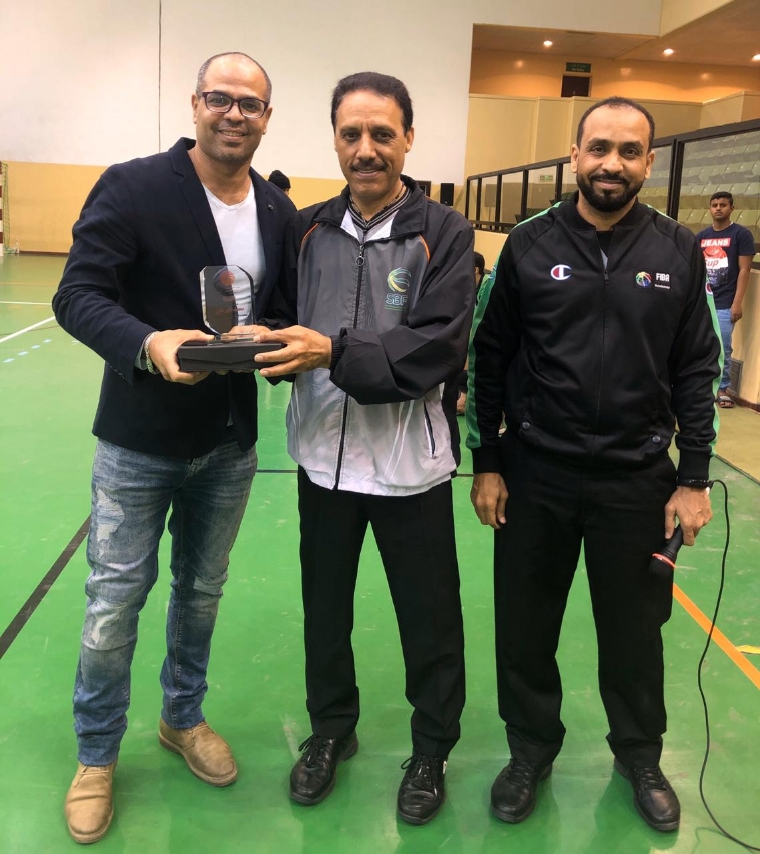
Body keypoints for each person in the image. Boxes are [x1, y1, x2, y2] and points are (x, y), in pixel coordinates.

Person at [52, 52, 295, 844]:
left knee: (200, 593)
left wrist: (271, 334)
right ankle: (96, 755)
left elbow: (282, 304)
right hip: (140, 440)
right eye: (221, 98)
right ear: (195, 104)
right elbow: (77, 294)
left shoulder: (277, 209)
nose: (235, 113)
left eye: (250, 103)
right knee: (113, 602)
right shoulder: (133, 187)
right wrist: (148, 341)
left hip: (228, 445)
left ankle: (181, 717)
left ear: (266, 117)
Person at [467, 96, 721, 833]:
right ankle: (530, 749)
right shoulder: (527, 244)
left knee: (635, 633)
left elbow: (696, 368)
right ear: (575, 155)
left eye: (629, 150)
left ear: (649, 162)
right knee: (525, 626)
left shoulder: (676, 249)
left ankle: (639, 754)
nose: (613, 163)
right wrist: (487, 460)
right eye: (600, 147)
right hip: (536, 472)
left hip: (635, 480)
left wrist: (693, 476)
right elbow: (488, 355)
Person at [251, 71, 474, 825]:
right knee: (325, 610)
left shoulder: (445, 232)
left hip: (412, 467)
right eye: (351, 134)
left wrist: (330, 351)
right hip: (322, 460)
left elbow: (435, 348)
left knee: (429, 619)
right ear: (335, 140)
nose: (366, 149)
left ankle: (431, 748)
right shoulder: (306, 229)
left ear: (408, 137)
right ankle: (330, 731)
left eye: (382, 133)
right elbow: (280, 319)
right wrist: (251, 341)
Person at [696, 191, 755, 408]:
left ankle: (723, 389)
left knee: (723, 348)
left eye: (723, 205)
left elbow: (744, 270)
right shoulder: (701, 236)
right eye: (715, 205)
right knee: (698, 346)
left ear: (732, 208)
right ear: (710, 209)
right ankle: (701, 387)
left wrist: (737, 303)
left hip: (724, 303)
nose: (718, 208)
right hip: (702, 302)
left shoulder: (741, 234)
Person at [456, 251, 486, 414]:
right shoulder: (470, 290)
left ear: (475, 270)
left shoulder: (488, 286)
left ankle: (464, 400)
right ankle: (463, 397)